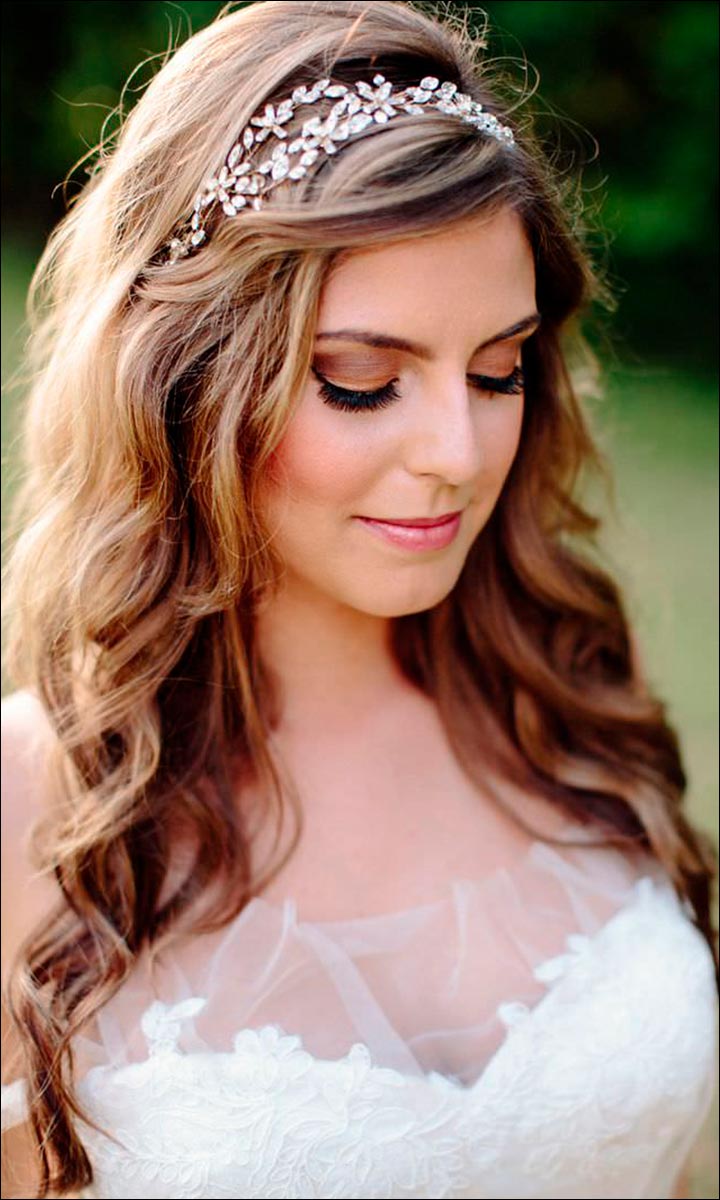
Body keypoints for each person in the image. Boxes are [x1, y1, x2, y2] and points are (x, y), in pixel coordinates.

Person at [1, 2, 717, 1198]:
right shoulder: (30, 808)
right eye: (363, 380)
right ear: (186, 381)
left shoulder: (565, 684)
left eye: (498, 370)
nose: (458, 452)